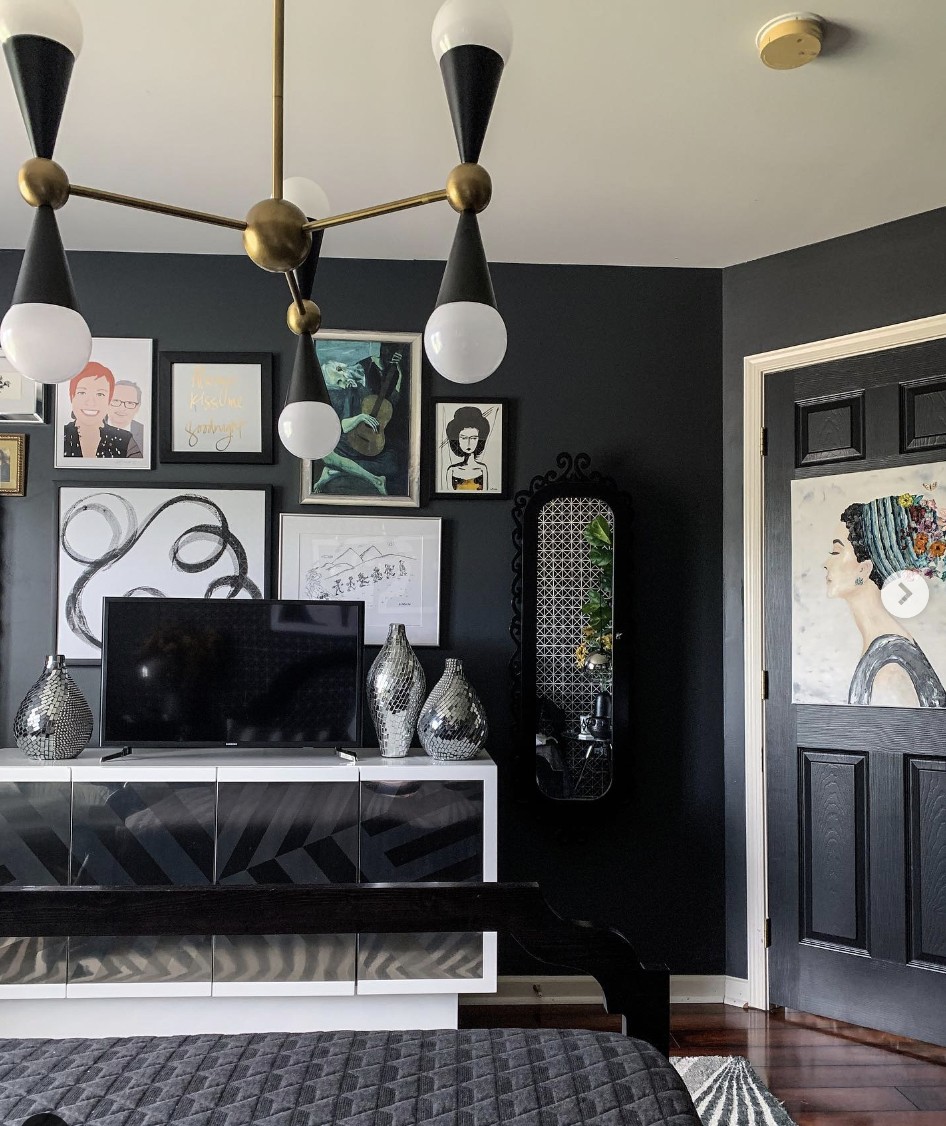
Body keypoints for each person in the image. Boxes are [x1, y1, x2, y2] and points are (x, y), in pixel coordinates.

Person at [825, 492, 946, 707]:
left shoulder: (890, 669)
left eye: (835, 551)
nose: (826, 563)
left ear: (864, 569)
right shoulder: (886, 651)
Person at [313, 346, 406, 496]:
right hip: (349, 443)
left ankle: (335, 471)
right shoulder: (344, 393)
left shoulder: (366, 370)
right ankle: (375, 479)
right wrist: (360, 417)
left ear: (341, 369)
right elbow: (342, 426)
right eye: (338, 383)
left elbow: (392, 400)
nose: (342, 383)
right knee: (327, 455)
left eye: (340, 379)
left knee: (393, 465)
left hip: (373, 445)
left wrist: (400, 372)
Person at [63, 363, 142, 459]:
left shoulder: (125, 439)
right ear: (72, 397)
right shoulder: (60, 435)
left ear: (109, 400)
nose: (91, 402)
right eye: (82, 393)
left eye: (100, 394)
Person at [443, 405, 491, 491]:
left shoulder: (482, 469)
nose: (469, 443)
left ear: (479, 439)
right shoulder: (452, 470)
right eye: (464, 438)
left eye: (473, 438)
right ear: (457, 439)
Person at [107, 379, 145, 453]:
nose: (122, 408)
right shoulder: (91, 427)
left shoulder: (144, 433)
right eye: (116, 401)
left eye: (130, 403)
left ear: (137, 407)